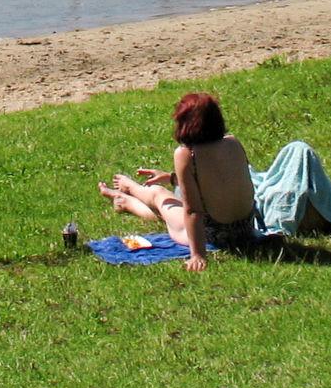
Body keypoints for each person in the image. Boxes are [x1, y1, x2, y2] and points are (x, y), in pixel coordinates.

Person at [98, 91, 258, 271]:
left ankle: (130, 188)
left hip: (211, 236)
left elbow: (193, 211)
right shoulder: (233, 142)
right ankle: (124, 201)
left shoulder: (187, 155)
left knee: (159, 195)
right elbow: (217, 182)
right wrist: (172, 178)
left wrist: (197, 255)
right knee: (169, 210)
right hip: (245, 230)